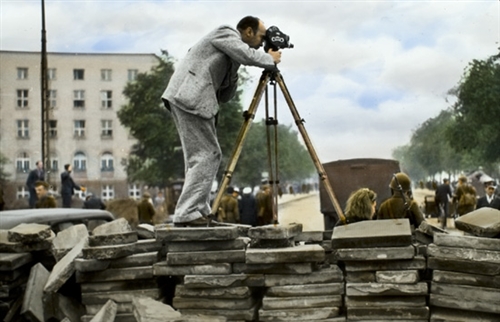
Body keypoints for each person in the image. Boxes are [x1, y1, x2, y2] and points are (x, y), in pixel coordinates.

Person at [161, 16, 281, 227]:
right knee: (209, 154)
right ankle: (187, 212)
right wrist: (269, 59)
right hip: (191, 97)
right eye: (262, 37)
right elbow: (247, 54)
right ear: (248, 32)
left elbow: (225, 95)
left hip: (189, 99)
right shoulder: (226, 32)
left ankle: (198, 209)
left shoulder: (231, 54)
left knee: (199, 157)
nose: (262, 43)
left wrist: (234, 71)